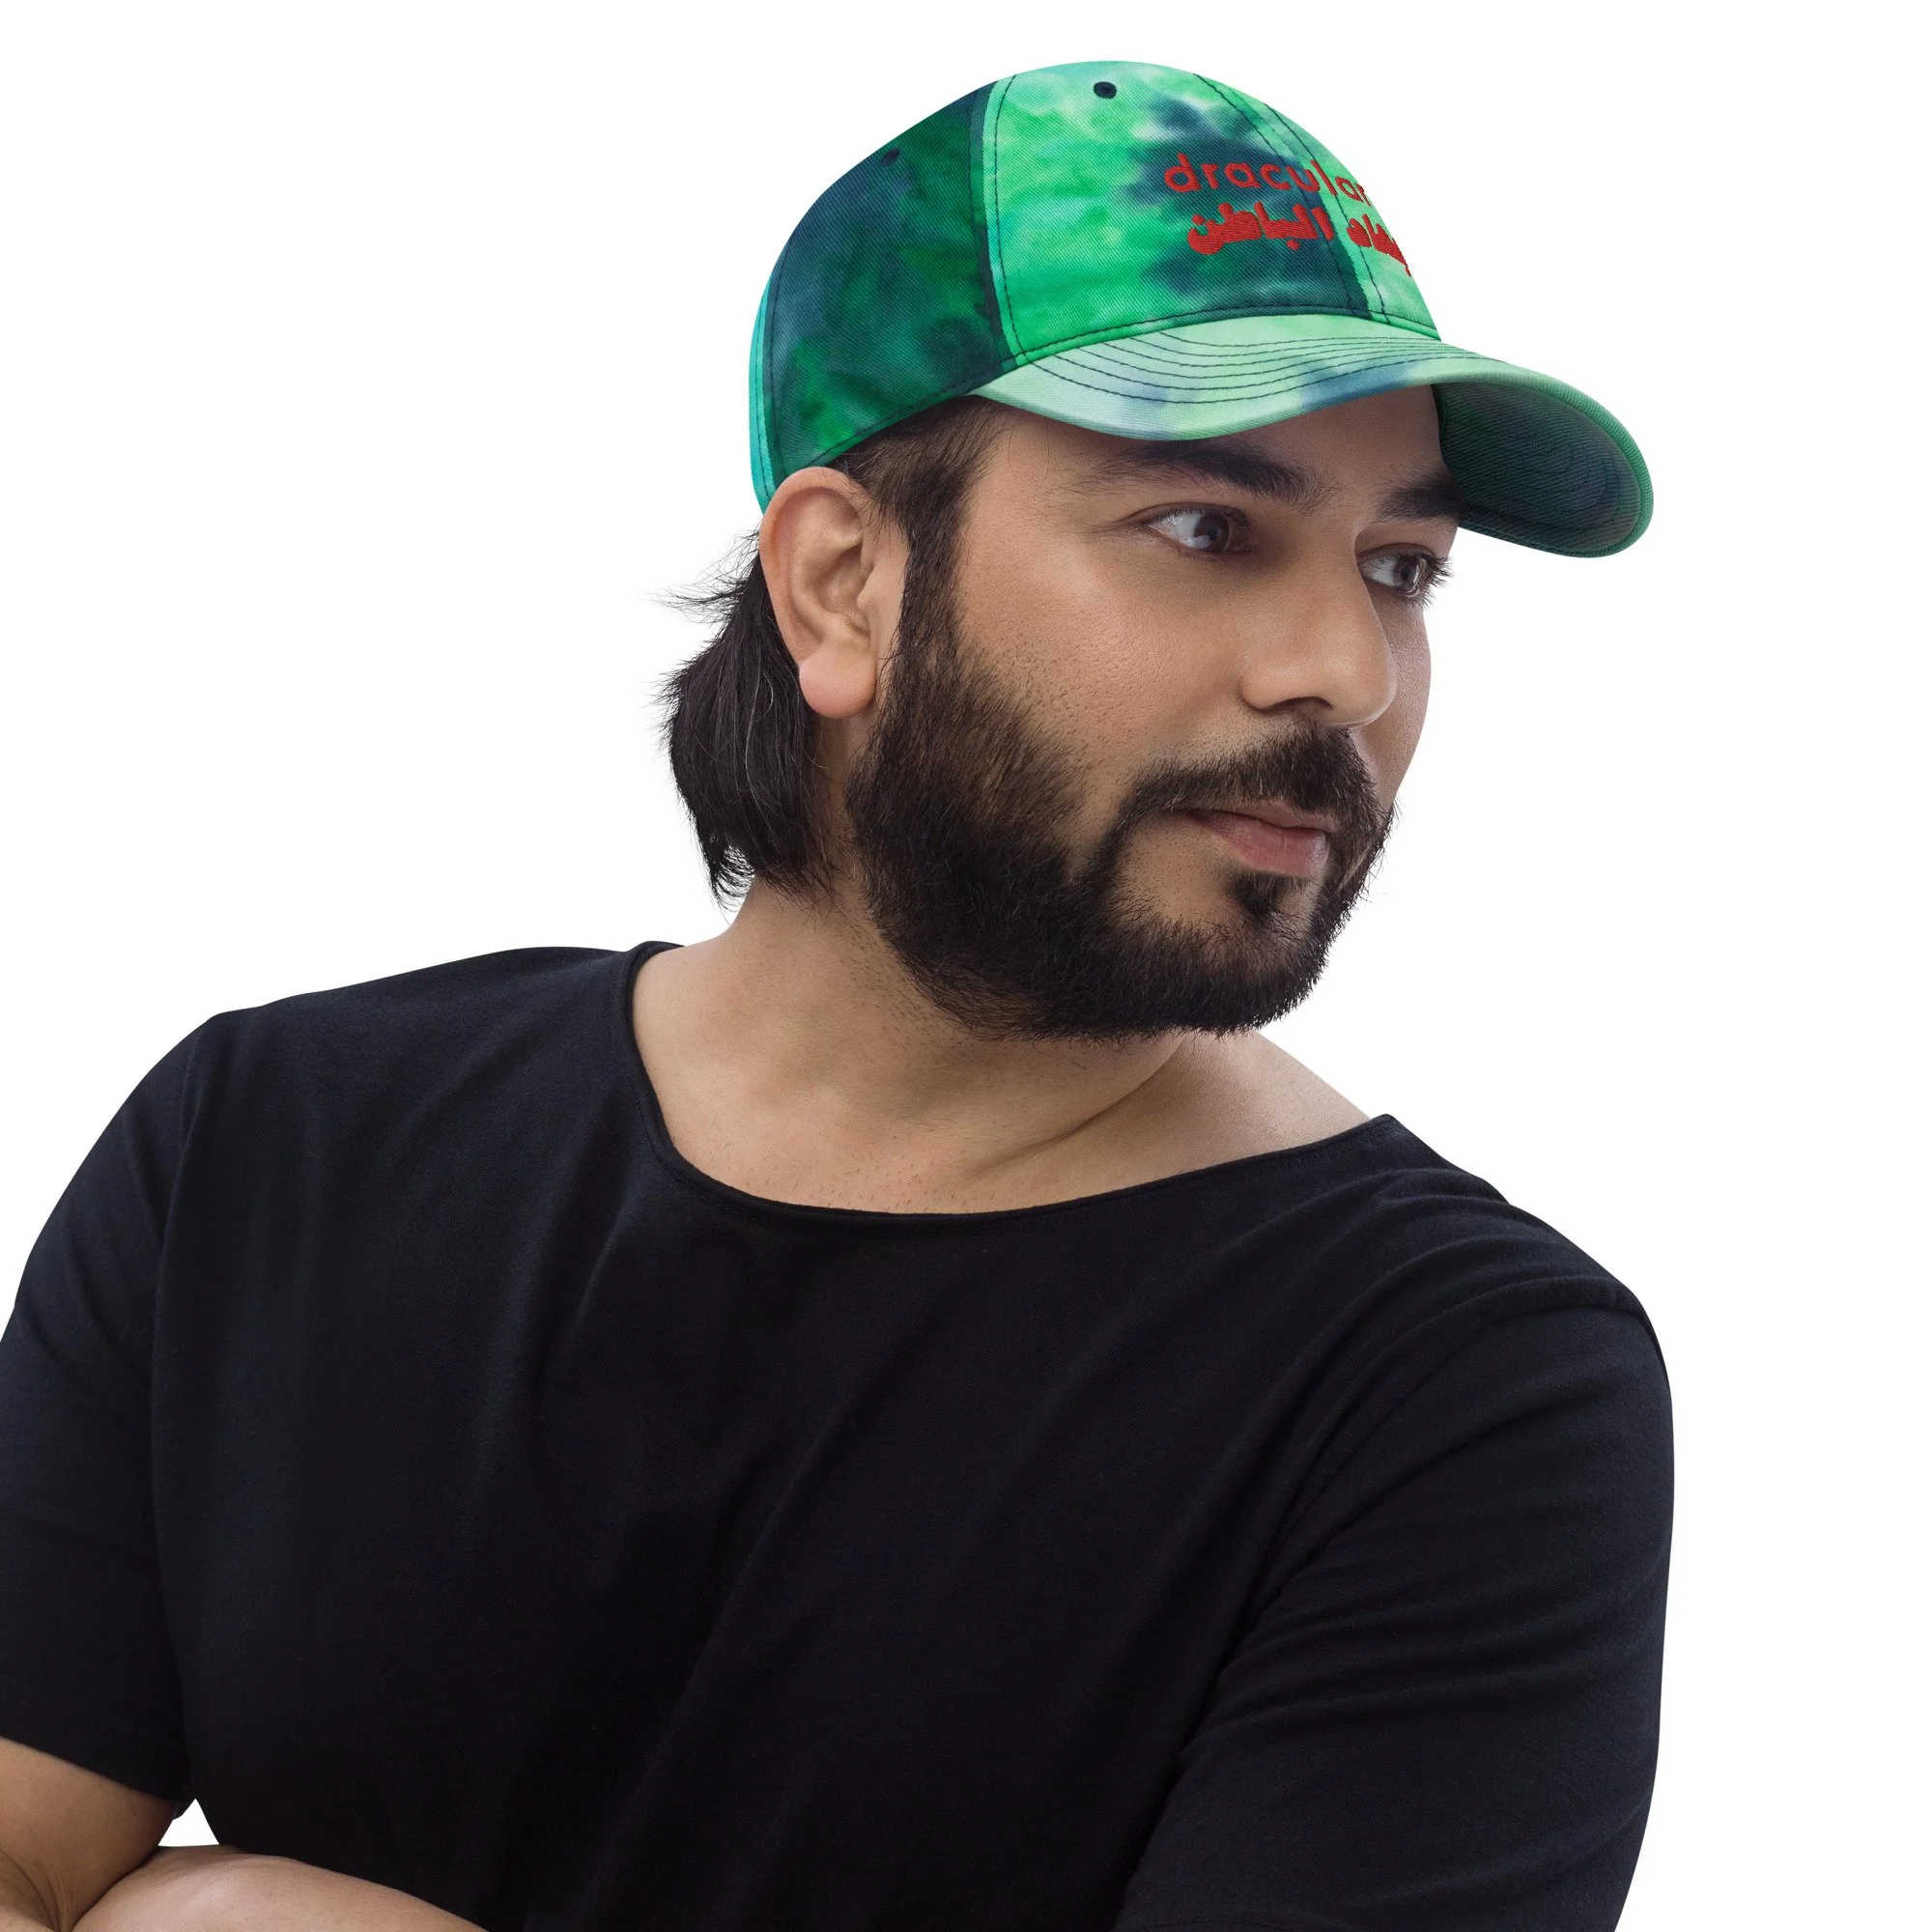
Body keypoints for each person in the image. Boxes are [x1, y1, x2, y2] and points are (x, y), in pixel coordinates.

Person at [0, 59, 1670, 1932]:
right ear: (842, 583)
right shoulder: (270, 1148)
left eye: (1401, 566)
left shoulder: (1454, 1388)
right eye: (1209, 528)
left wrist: (231, 1917)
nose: (1345, 668)